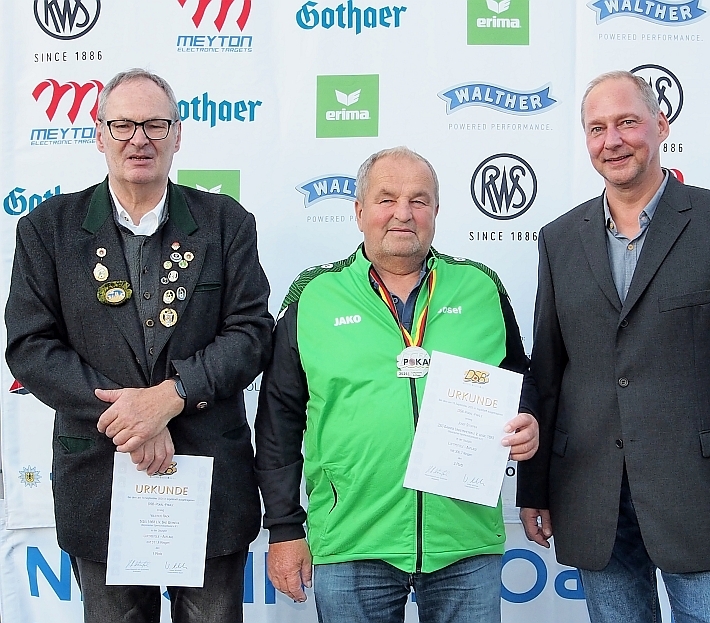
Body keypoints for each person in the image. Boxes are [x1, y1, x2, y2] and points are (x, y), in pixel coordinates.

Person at [516, 70, 710, 622]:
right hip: (593, 498)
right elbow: (547, 374)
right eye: (597, 128)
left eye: (627, 122)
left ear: (661, 126)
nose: (612, 141)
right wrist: (535, 487)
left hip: (705, 502)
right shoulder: (558, 239)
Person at [4, 68, 273, 623]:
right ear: (99, 134)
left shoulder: (226, 222)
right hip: (99, 477)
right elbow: (31, 345)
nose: (139, 139)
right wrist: (131, 418)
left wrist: (171, 397)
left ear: (178, 134)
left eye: (155, 125)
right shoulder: (47, 229)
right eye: (122, 125)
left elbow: (250, 333)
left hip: (209, 478)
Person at [255, 146, 539, 623]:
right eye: (386, 199)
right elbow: (277, 421)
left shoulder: (481, 288)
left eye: (418, 200)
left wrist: (527, 418)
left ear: (436, 212)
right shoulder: (314, 295)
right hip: (352, 540)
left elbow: (519, 379)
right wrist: (284, 528)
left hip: (465, 544)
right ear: (359, 211)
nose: (403, 213)